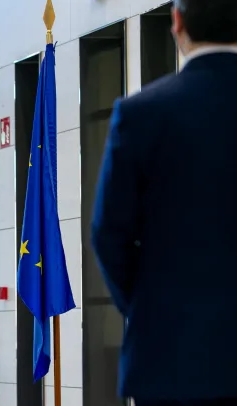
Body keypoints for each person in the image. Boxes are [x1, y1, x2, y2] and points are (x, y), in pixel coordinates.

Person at [91, 1, 237, 405]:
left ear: (177, 22)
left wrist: (148, 303)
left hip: (169, 357)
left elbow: (108, 234)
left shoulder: (140, 114)